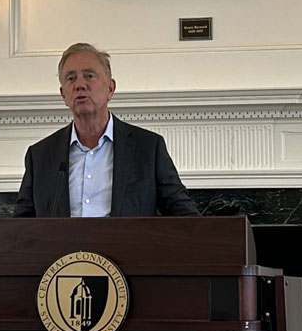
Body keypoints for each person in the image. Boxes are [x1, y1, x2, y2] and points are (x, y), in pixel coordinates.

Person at [13, 43, 199, 217]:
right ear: (63, 94)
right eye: (71, 78)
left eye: (89, 76)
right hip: (61, 252)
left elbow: (184, 215)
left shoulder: (148, 148)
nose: (79, 85)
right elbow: (19, 226)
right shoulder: (40, 156)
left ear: (110, 88)